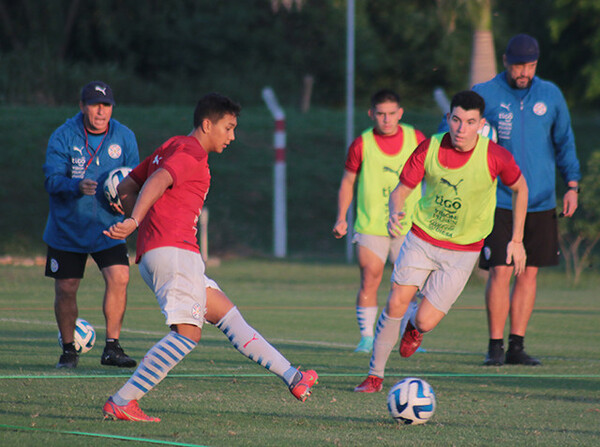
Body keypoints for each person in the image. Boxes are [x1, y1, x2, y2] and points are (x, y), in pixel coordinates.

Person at [101, 93, 318, 422]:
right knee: (187, 335)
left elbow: (126, 187)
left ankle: (293, 378)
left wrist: (143, 222)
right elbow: (158, 181)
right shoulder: (190, 153)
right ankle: (123, 400)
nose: (232, 136)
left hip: (163, 252)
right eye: (228, 128)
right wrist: (134, 222)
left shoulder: (171, 145)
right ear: (207, 124)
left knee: (228, 316)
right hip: (175, 253)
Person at [354, 90, 528, 393]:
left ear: (481, 124)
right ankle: (374, 375)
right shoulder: (429, 148)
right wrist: (396, 211)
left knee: (425, 322)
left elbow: (521, 188)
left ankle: (414, 328)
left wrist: (517, 239)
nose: (461, 129)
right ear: (448, 118)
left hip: (462, 252)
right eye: (456, 120)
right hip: (422, 239)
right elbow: (401, 190)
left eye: (470, 122)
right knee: (396, 301)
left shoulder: (494, 156)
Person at [473, 34, 581, 366]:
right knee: (501, 271)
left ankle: (516, 346)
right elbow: (455, 130)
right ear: (506, 61)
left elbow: (564, 140)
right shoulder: (485, 94)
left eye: (531, 65)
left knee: (528, 273)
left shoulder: (550, 94)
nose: (524, 72)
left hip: (541, 200)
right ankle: (495, 347)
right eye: (519, 65)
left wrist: (572, 184)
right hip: (501, 201)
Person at [43, 80, 139, 369]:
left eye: (106, 105)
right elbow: (51, 180)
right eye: (95, 105)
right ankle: (69, 351)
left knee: (120, 277)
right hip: (68, 228)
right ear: (82, 106)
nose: (101, 111)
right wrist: (75, 186)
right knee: (67, 289)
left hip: (108, 227)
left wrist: (125, 202)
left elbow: (136, 177)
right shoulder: (63, 136)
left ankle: (112, 347)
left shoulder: (124, 137)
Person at [332, 89, 426, 353]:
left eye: (391, 114)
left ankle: (410, 337)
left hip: (409, 225)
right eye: (381, 114)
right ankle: (366, 337)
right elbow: (348, 181)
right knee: (371, 276)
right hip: (372, 224)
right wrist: (341, 217)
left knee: (408, 284)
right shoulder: (362, 143)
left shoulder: (416, 138)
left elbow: (432, 172)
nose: (386, 120)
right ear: (371, 114)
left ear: (400, 113)